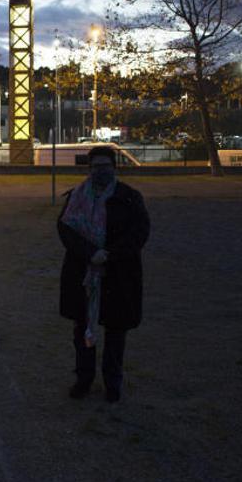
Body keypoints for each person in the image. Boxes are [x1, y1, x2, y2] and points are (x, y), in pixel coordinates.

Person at [56, 145, 150, 403]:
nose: (101, 171)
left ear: (114, 167)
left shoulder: (129, 197)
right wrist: (90, 253)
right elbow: (65, 230)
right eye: (96, 167)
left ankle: (112, 382)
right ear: (89, 169)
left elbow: (139, 233)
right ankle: (83, 379)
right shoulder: (76, 197)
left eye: (105, 167)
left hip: (118, 274)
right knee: (83, 330)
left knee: (115, 332)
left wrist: (109, 254)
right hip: (83, 274)